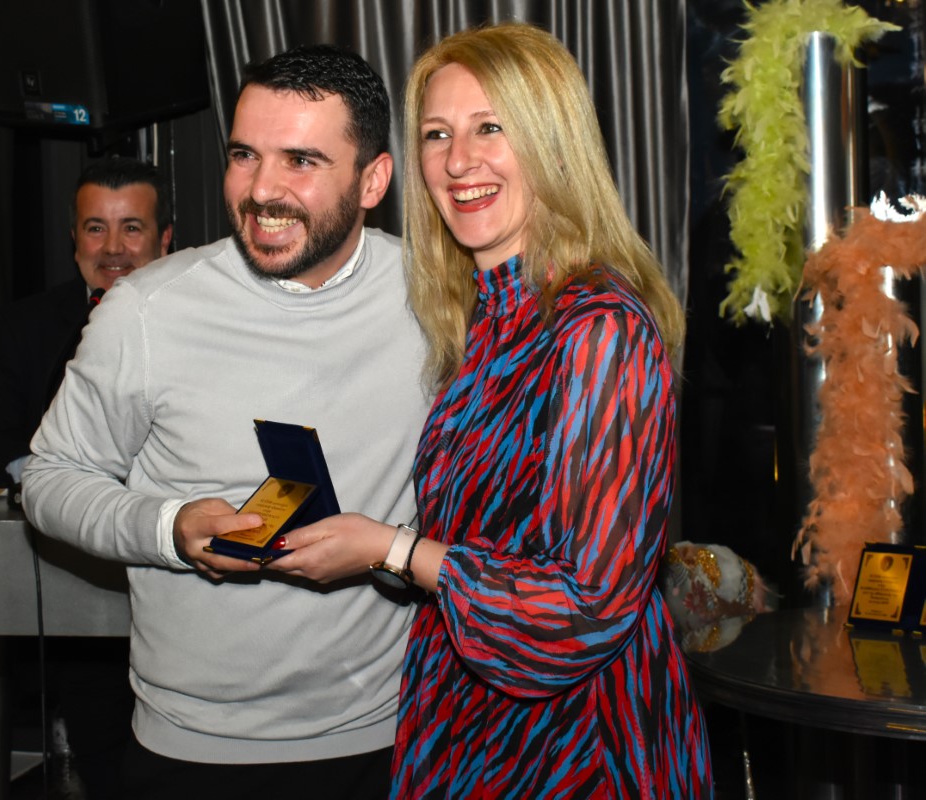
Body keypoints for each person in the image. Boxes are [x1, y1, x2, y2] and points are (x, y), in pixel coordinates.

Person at [268, 22, 714, 798]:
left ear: (553, 144)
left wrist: (396, 550)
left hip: (577, 749)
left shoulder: (598, 328)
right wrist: (372, 545)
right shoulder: (486, 322)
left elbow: (584, 608)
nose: (458, 161)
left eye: (490, 128)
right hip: (472, 728)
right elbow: (489, 539)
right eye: (437, 134)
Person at [22, 44, 429, 799]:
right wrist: (168, 527)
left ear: (373, 180)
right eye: (245, 155)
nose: (262, 190)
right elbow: (49, 480)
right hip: (192, 750)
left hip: (392, 739)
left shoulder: (436, 299)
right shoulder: (147, 310)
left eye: (300, 160)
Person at [0, 156, 173, 490]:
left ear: (164, 239)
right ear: (75, 239)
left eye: (131, 228)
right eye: (96, 228)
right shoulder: (25, 325)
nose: (113, 247)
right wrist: (54, 480)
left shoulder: (199, 322)